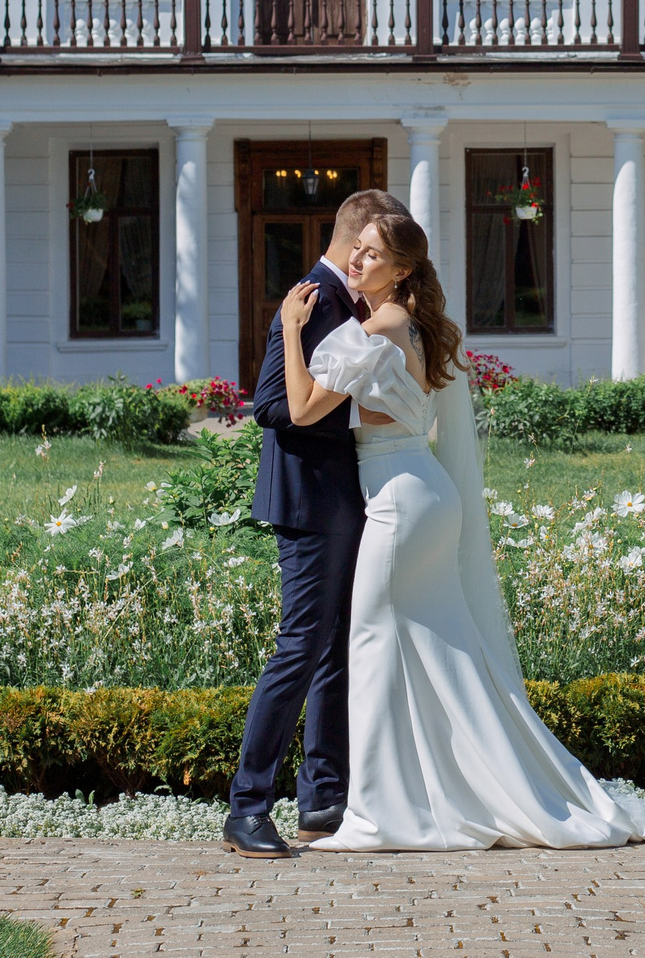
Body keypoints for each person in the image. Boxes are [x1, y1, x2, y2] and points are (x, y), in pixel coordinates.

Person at [274, 210, 645, 850]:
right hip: (427, 490)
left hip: (397, 502)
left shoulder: (376, 327)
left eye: (372, 255)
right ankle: (451, 789)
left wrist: (292, 329)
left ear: (402, 269)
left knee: (375, 647)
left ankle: (383, 812)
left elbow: (300, 408)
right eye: (355, 250)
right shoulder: (420, 326)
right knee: (443, 653)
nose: (357, 262)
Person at [222, 188, 413, 861]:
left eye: (379, 255)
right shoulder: (314, 297)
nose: (368, 258)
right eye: (368, 246)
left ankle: (323, 795)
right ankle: (247, 806)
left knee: (334, 648)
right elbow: (273, 404)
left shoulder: (357, 304)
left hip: (344, 498)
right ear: (357, 238)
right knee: (301, 646)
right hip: (309, 499)